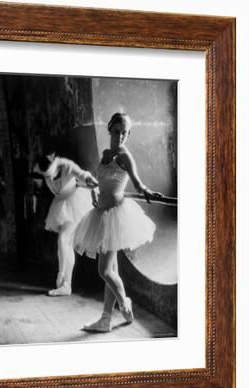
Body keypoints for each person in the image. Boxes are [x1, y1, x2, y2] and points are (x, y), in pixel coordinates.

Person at [74, 112, 163, 332]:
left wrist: (148, 191)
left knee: (104, 271)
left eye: (125, 133)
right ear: (110, 129)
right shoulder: (106, 153)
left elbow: (138, 184)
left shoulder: (124, 156)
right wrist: (94, 189)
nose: (121, 136)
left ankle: (124, 303)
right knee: (111, 270)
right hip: (101, 214)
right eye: (117, 131)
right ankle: (105, 319)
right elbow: (102, 180)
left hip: (116, 216)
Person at [35, 151, 98, 296]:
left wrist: (91, 181)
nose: (49, 178)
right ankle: (66, 285)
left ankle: (61, 275)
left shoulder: (67, 166)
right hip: (60, 205)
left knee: (63, 239)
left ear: (56, 165)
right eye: (46, 176)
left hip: (75, 203)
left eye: (50, 174)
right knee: (67, 245)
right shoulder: (42, 167)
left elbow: (83, 175)